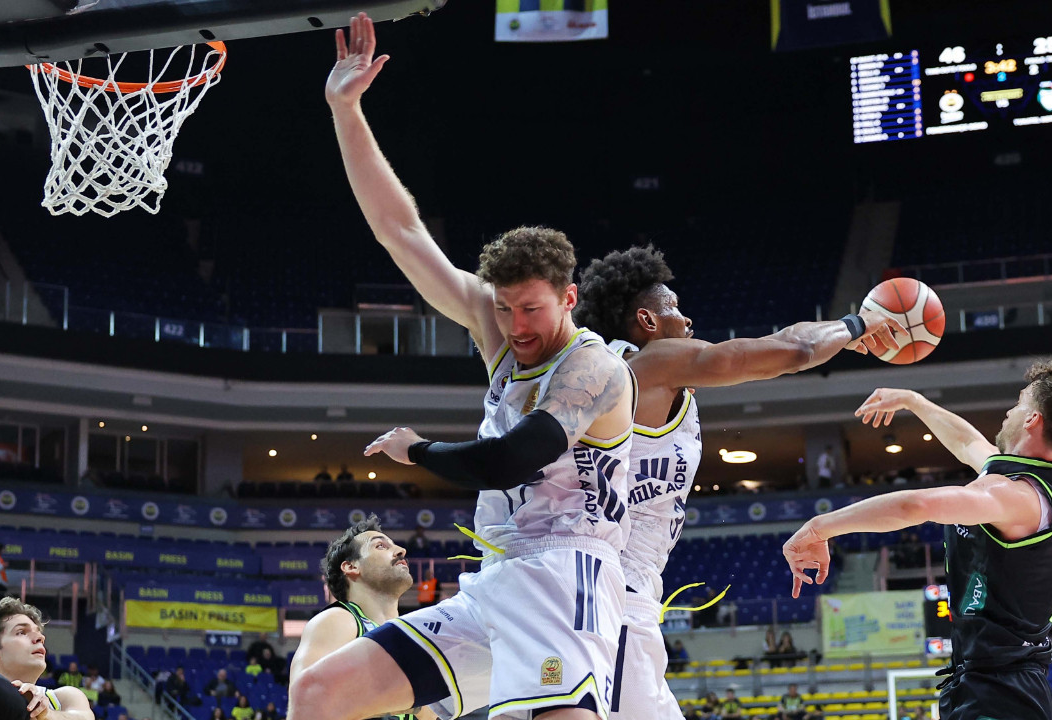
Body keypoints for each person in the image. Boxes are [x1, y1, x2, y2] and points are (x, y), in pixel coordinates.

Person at [290, 18, 636, 720]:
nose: (516, 327)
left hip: (567, 576)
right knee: (321, 690)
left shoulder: (594, 368)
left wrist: (417, 449)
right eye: (504, 309)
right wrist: (346, 111)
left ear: (570, 298)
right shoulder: (502, 331)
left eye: (533, 310)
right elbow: (401, 231)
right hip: (498, 580)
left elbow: (516, 456)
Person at [572, 244, 903, 720]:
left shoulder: (614, 373)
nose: (686, 321)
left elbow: (791, 339)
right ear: (646, 322)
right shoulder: (651, 364)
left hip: (608, 592)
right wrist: (856, 324)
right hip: (612, 598)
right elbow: (796, 350)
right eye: (674, 310)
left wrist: (841, 334)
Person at [783, 358, 1052, 720]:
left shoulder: (1016, 498)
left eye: (1019, 403)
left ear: (1032, 419)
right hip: (989, 682)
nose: (1008, 411)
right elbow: (968, 442)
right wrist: (913, 401)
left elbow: (915, 505)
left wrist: (818, 528)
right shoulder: (1021, 478)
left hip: (1003, 691)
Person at [288, 516, 424, 720]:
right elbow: (305, 703)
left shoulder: (413, 638)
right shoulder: (339, 620)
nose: (400, 550)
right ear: (351, 567)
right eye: (381, 546)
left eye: (395, 545)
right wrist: (404, 699)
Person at [0, 598, 94, 720]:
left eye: (38, 632)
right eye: (21, 632)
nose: (40, 637)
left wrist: (47, 713)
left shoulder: (65, 698)